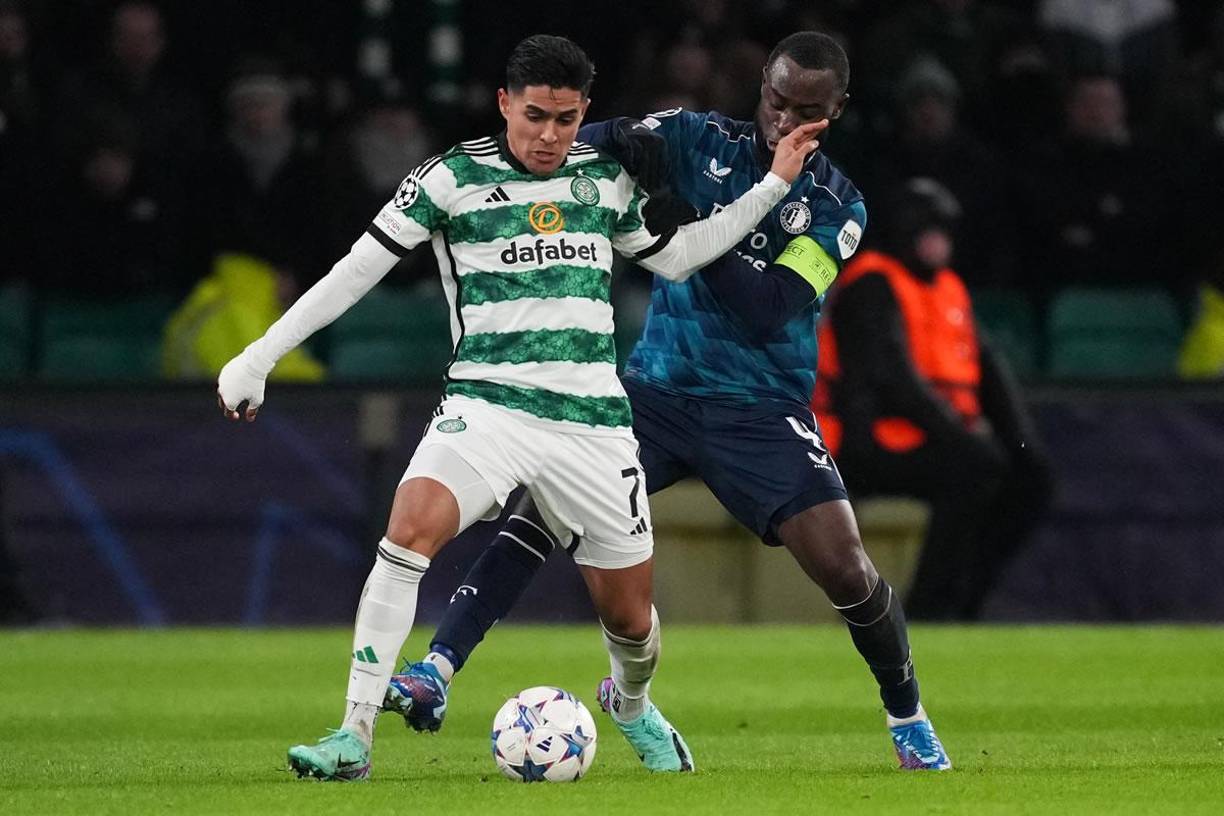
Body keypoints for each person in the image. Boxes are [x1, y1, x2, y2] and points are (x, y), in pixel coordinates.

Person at [216, 34, 821, 781]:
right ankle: (353, 736)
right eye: (534, 116)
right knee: (406, 534)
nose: (548, 135)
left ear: (584, 112)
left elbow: (677, 258)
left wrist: (771, 188)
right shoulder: (450, 178)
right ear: (504, 104)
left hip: (593, 424)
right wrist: (259, 358)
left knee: (632, 620)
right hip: (487, 408)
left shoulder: (605, 178)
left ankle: (631, 704)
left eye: (565, 119)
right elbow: (355, 272)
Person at [385, 32, 953, 772]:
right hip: (656, 391)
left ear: (837, 110)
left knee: (847, 569)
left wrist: (679, 223)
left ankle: (908, 716)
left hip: (760, 407)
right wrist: (618, 137)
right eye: (777, 101)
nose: (784, 120)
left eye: (806, 111)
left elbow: (767, 309)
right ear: (762, 86)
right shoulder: (695, 138)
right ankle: (436, 669)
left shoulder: (837, 204)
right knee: (541, 512)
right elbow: (568, 147)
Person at [812, 178, 1053, 621]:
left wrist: (1021, 443)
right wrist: (965, 438)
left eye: (944, 231)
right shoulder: (873, 283)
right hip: (866, 443)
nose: (938, 242)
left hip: (933, 437)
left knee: (1032, 479)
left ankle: (966, 600)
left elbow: (990, 373)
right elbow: (893, 381)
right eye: (927, 231)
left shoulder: (949, 290)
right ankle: (929, 609)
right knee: (974, 470)